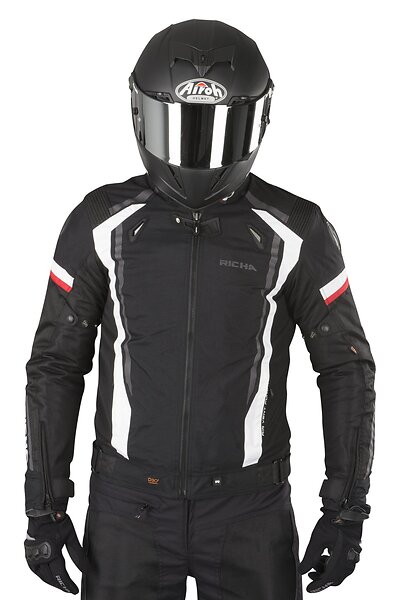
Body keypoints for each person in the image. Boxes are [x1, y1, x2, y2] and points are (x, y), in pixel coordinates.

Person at [23, 18, 375, 600]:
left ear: (258, 119)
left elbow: (347, 367)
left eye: (220, 129)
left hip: (249, 510)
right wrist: (44, 506)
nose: (198, 152)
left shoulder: (296, 230)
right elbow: (55, 364)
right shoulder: (100, 223)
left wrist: (346, 508)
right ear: (141, 114)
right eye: (179, 126)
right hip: (129, 508)